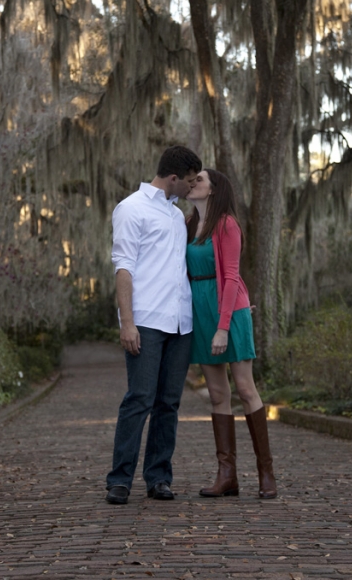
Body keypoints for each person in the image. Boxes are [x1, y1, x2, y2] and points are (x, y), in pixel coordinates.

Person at [105, 145, 202, 505]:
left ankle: (159, 477)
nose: (192, 188)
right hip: (145, 321)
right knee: (139, 399)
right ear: (173, 178)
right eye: (189, 182)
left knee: (169, 403)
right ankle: (119, 479)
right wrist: (127, 323)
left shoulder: (177, 216)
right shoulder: (131, 208)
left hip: (181, 323)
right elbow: (124, 268)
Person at [185, 168, 277, 499]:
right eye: (191, 179)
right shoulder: (188, 224)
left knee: (244, 388)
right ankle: (227, 476)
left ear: (213, 189)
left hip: (230, 310)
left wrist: (223, 327)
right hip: (201, 311)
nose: (192, 183)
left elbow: (231, 276)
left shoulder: (226, 224)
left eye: (198, 180)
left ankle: (266, 473)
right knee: (217, 393)